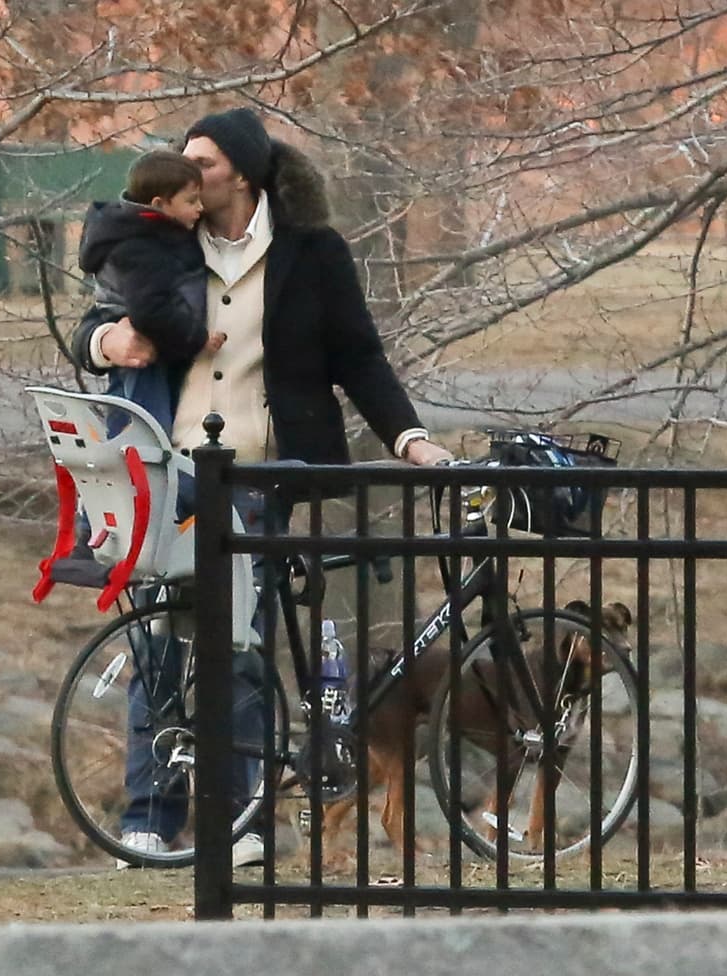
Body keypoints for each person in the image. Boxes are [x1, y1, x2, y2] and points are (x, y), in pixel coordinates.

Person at [71, 108, 451, 868]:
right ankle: (147, 818)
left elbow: (361, 358)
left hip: (264, 475)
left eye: (203, 163)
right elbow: (92, 326)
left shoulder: (311, 254)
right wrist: (106, 342)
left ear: (242, 174)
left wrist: (409, 438)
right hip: (168, 465)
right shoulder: (160, 242)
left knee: (241, 645)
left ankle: (238, 819)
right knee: (158, 639)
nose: (187, 174)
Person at [77, 149, 222, 435]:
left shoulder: (142, 232)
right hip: (143, 352)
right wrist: (196, 339)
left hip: (144, 346)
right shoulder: (144, 246)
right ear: (161, 204)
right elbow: (151, 311)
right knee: (147, 432)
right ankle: (139, 474)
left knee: (131, 412)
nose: (200, 208)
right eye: (191, 201)